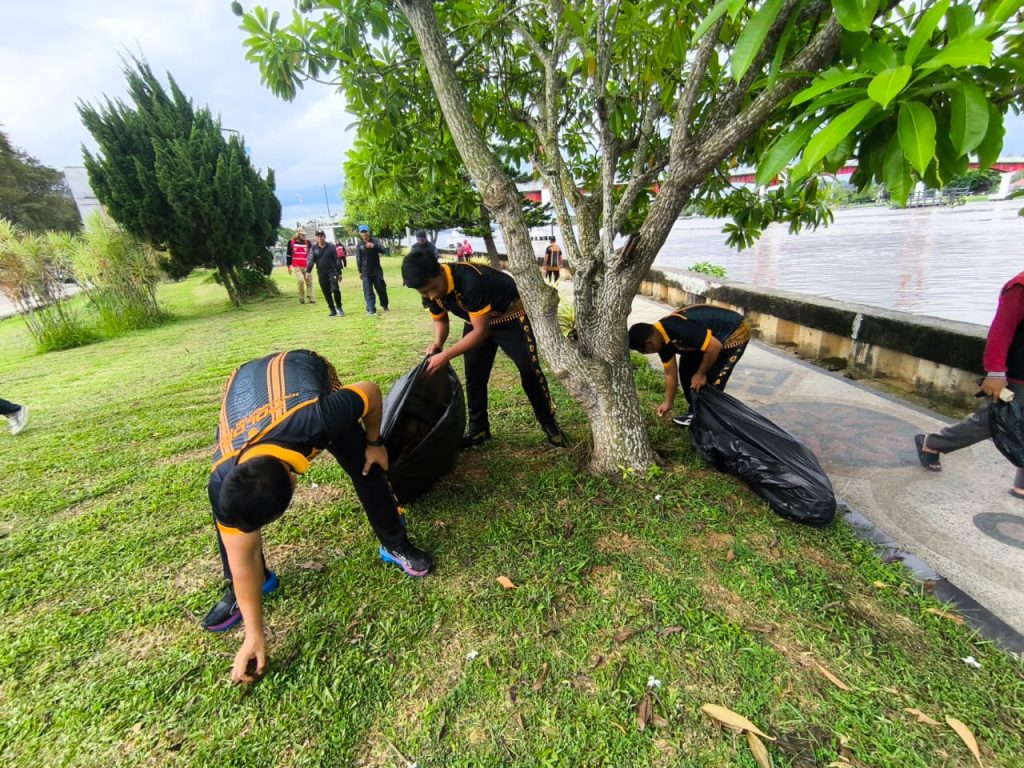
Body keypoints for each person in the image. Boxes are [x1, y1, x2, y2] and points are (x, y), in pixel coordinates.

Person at [200, 349, 433, 684]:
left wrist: (375, 442)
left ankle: (394, 543)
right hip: (247, 389)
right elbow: (242, 554)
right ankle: (255, 583)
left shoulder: (319, 417)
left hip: (301, 368)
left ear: (294, 480)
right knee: (234, 525)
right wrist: (254, 634)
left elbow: (369, 390)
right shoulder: (223, 479)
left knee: (365, 465)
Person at [401, 250, 568, 447]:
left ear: (439, 271)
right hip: (475, 320)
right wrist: (438, 343)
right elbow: (441, 320)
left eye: (433, 288)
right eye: (424, 293)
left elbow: (481, 332)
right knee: (474, 375)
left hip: (510, 317)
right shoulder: (429, 291)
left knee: (529, 371)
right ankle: (478, 429)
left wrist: (445, 356)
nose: (431, 295)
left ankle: (550, 426)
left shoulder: (470, 280)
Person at [915, 270, 1024, 498]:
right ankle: (932, 442)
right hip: (1018, 376)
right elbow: (1001, 332)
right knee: (988, 422)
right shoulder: (1019, 287)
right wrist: (995, 372)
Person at [628, 304, 750, 427]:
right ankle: (695, 411)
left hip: (733, 332)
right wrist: (668, 403)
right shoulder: (661, 340)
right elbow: (670, 374)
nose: (648, 353)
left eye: (645, 351)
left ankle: (709, 422)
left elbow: (714, 347)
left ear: (650, 344)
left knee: (712, 381)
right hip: (708, 340)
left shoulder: (677, 328)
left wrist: (700, 374)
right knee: (686, 371)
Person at [307, 230, 345, 317]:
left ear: (324, 236)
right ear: (316, 238)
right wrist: (308, 271)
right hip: (321, 274)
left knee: (335, 290)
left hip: (332, 272)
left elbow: (337, 260)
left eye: (321, 236)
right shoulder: (313, 249)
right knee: (326, 292)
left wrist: (339, 272)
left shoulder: (331, 247)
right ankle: (332, 309)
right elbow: (311, 260)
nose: (320, 238)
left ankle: (339, 307)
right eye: (318, 236)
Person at [355, 224, 389, 315]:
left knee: (381, 289)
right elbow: (358, 259)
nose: (364, 234)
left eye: (365, 231)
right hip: (365, 272)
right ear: (360, 233)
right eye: (362, 232)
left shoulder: (375, 241)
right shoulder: (359, 244)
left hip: (376, 271)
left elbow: (383, 250)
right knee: (368, 291)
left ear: (368, 232)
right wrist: (360, 271)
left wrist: (374, 246)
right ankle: (371, 309)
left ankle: (384, 305)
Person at [286, 228, 314, 305]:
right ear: (298, 234)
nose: (304, 236)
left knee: (309, 282)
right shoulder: (291, 242)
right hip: (296, 266)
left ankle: (311, 298)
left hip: (307, 265)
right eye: (302, 234)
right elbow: (288, 254)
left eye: (304, 234)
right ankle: (301, 297)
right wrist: (288, 266)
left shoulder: (307, 242)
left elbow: (312, 253)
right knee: (301, 281)